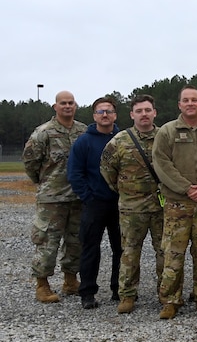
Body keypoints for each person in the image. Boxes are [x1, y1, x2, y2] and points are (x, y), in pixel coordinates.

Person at [153, 86, 197, 320]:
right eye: (186, 100)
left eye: (195, 99)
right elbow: (161, 163)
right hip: (177, 205)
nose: (190, 103)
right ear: (179, 105)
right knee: (173, 253)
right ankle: (170, 300)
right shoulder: (167, 132)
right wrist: (186, 188)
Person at [100, 95, 164, 314]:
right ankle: (127, 295)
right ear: (132, 115)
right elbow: (108, 171)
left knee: (164, 251)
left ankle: (166, 294)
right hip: (131, 208)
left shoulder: (166, 137)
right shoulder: (119, 141)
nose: (144, 114)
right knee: (129, 252)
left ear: (155, 112)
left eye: (148, 110)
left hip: (161, 207)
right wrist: (125, 191)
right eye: (139, 111)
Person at [22, 90, 86, 303]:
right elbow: (31, 164)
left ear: (75, 106)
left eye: (71, 103)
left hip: (77, 197)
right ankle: (42, 285)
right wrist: (46, 184)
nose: (67, 106)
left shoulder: (82, 131)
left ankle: (70, 280)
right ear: (55, 107)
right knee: (47, 242)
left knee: (75, 241)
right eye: (63, 103)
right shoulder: (44, 133)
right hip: (52, 199)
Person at [68, 96, 123, 309]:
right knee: (91, 247)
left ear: (115, 115)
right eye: (101, 111)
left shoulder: (122, 138)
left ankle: (119, 289)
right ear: (94, 116)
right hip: (95, 203)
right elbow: (75, 173)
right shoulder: (84, 142)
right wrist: (88, 197)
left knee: (121, 249)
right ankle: (88, 292)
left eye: (108, 111)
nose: (105, 115)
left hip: (120, 203)